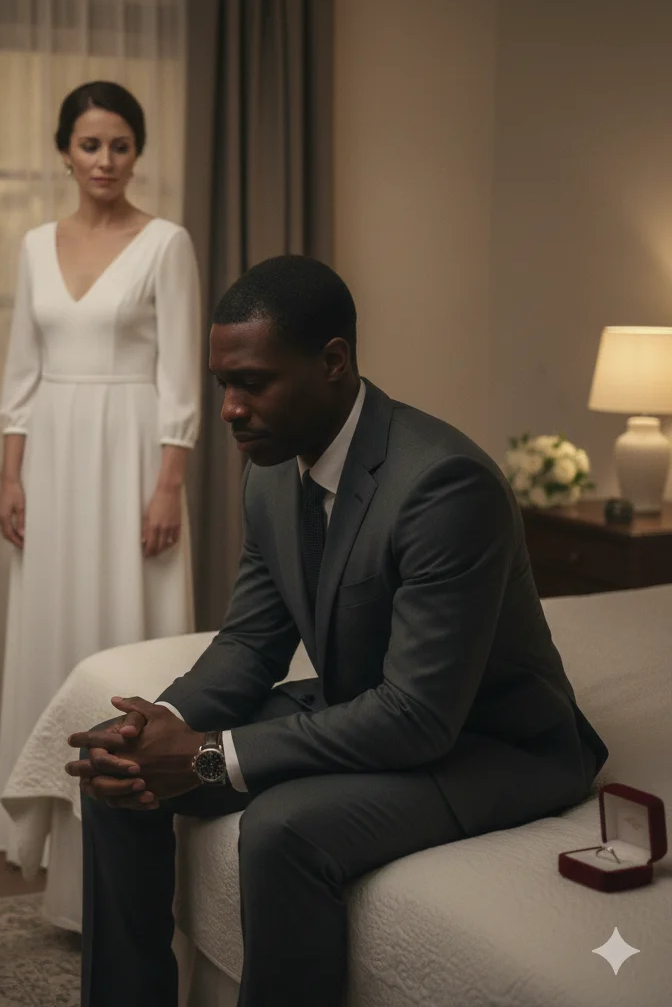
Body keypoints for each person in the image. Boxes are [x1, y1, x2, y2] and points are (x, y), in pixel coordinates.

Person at [67, 255, 608, 1006]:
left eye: (253, 383)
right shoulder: (270, 470)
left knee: (284, 828)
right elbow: (251, 643)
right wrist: (167, 726)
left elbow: (418, 717)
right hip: (368, 705)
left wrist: (211, 758)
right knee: (116, 770)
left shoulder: (445, 486)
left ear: (332, 362)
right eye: (225, 385)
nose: (229, 409)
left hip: (493, 741)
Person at [0, 81, 202, 861]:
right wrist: (11, 477)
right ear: (65, 153)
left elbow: (182, 377)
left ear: (137, 152)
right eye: (89, 145)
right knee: (52, 629)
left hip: (132, 457)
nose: (105, 159)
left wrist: (168, 485)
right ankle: (49, 840)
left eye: (119, 144)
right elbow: (21, 371)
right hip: (53, 453)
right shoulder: (34, 245)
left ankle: (130, 836)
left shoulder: (166, 242)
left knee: (124, 626)